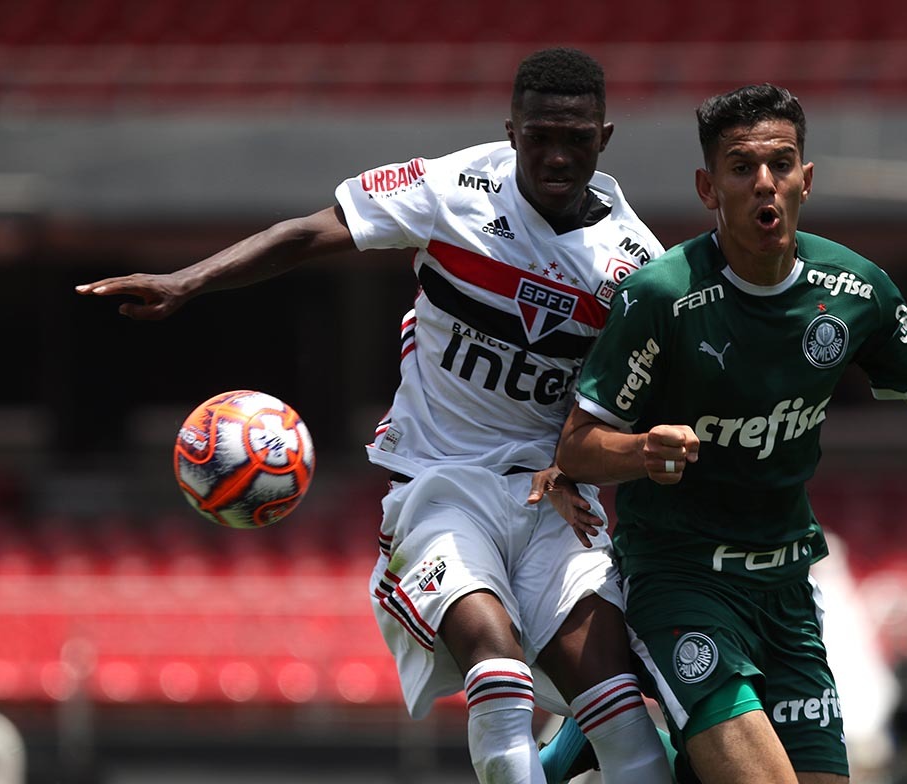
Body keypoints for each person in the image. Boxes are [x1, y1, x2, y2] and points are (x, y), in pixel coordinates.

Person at [76, 47, 673, 784]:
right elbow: (307, 232)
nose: (556, 154)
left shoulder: (637, 266)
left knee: (622, 718)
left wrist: (582, 464)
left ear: (604, 138)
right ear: (510, 130)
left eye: (575, 138)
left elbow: (629, 406)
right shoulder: (451, 189)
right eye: (539, 135)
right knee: (499, 671)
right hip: (440, 484)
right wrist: (186, 282)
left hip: (550, 499)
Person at [550, 84, 907, 784]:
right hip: (681, 581)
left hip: (788, 597)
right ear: (707, 187)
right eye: (741, 166)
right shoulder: (661, 298)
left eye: (781, 164)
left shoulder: (855, 291)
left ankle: (595, 755)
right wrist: (643, 451)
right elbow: (576, 448)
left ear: (805, 181)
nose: (765, 182)